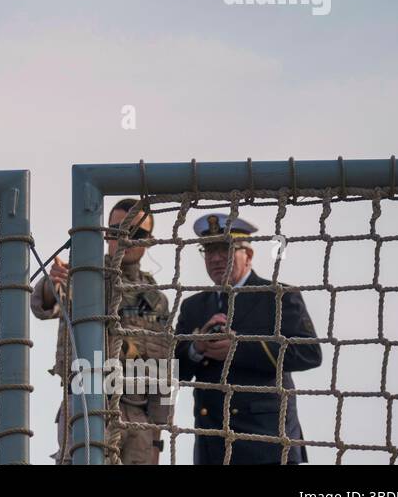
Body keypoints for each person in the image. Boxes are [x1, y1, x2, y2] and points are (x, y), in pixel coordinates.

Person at [173, 213, 322, 464]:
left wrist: (238, 349)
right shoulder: (193, 306)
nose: (216, 258)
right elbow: (174, 369)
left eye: (226, 249)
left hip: (268, 443)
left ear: (249, 256)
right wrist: (196, 348)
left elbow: (309, 353)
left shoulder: (278, 296)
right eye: (209, 251)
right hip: (213, 445)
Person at [31, 199, 172, 464]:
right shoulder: (86, 276)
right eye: (118, 231)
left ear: (150, 240)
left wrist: (156, 441)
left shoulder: (157, 299)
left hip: (139, 418)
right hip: (88, 406)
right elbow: (45, 304)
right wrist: (54, 284)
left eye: (137, 233)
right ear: (107, 234)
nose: (127, 239)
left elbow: (163, 375)